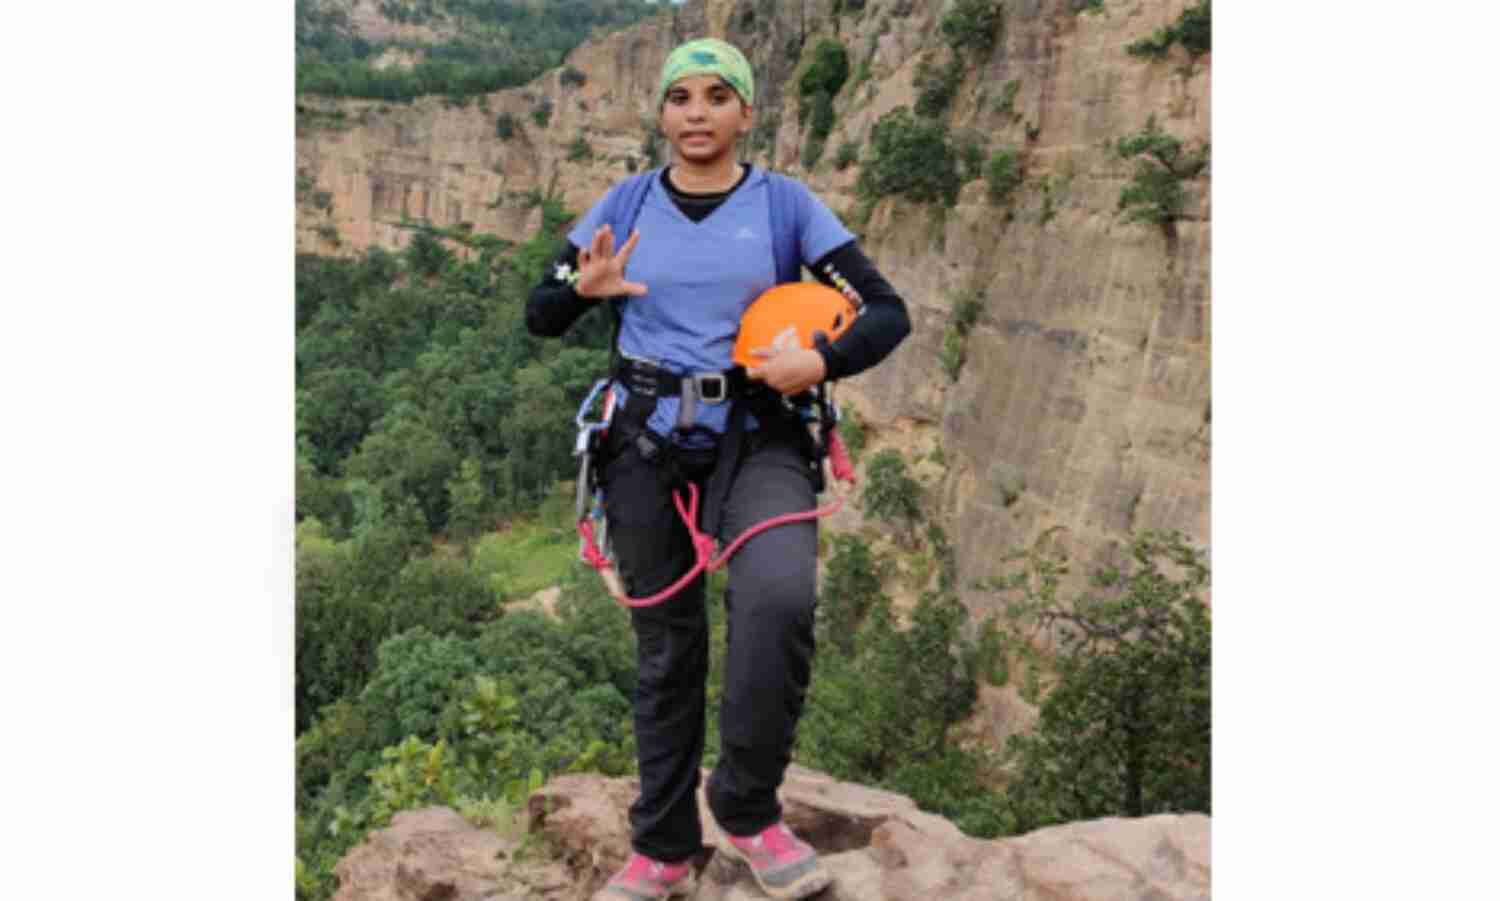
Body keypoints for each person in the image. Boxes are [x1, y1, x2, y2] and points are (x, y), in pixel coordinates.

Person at [526, 37, 910, 901]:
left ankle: (744, 803)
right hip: (644, 436)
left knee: (778, 601)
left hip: (760, 428)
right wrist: (580, 291)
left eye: (715, 97)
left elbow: (887, 311)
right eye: (680, 98)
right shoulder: (623, 204)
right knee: (668, 648)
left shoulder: (786, 207)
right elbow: (540, 312)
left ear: (746, 112)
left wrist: (821, 363)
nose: (696, 114)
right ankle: (663, 843)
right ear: (661, 113)